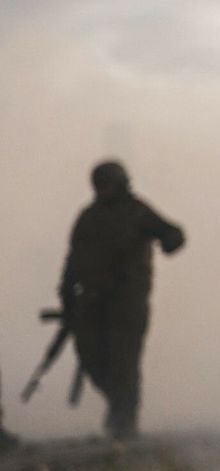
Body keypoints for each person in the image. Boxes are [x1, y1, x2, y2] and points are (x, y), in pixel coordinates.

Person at [59, 161, 185, 439]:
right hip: (91, 304)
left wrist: (169, 242)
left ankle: (124, 422)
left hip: (127, 304)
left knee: (123, 361)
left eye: (107, 184)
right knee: (91, 357)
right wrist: (68, 299)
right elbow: (73, 260)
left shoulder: (137, 212)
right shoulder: (89, 217)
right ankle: (119, 407)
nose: (103, 190)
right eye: (99, 185)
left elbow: (171, 232)